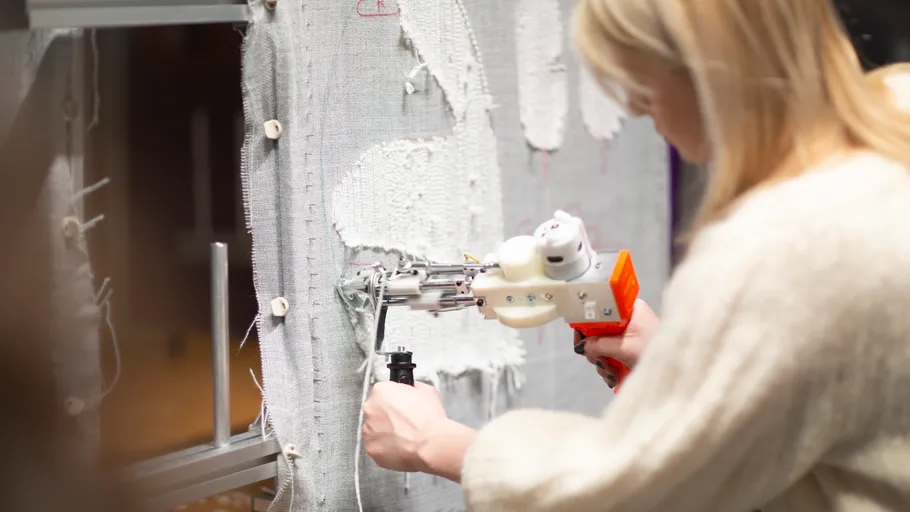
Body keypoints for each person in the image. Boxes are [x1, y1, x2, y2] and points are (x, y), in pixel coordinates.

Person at [362, 0, 910, 510]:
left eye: (640, 84)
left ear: (709, 69)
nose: (634, 107)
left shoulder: (777, 247)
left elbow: (638, 491)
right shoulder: (895, 112)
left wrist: (434, 442)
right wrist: (700, 359)